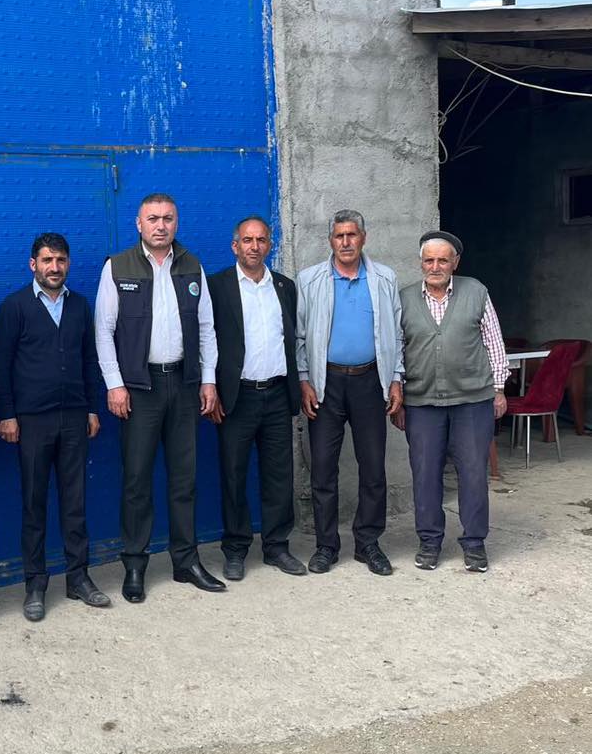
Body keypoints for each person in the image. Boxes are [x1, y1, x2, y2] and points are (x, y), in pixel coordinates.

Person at [94, 193, 223, 603]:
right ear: (139, 224)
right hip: (140, 390)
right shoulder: (118, 267)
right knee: (136, 481)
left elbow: (206, 328)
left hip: (183, 385)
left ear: (176, 223)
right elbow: (103, 330)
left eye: (168, 218)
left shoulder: (192, 266)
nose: (160, 225)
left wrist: (208, 380)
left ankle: (186, 561)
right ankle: (135, 564)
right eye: (153, 219)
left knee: (185, 479)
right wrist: (114, 384)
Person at [0, 232, 109, 621]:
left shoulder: (79, 306)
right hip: (32, 422)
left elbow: (89, 360)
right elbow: (1, 364)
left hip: (74, 417)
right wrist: (7, 414)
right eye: (47, 260)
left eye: (60, 260)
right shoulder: (15, 306)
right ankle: (35, 584)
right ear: (33, 265)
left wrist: (92, 408)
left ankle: (78, 578)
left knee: (75, 502)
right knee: (34, 504)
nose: (54, 267)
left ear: (68, 264)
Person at [391, 231, 509, 572]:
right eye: (429, 260)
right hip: (421, 402)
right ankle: (429, 542)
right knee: (425, 473)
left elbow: (494, 342)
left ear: (455, 263)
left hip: (472, 400)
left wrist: (498, 388)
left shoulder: (476, 292)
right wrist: (398, 395)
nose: (435, 266)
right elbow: (396, 350)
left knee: (473, 472)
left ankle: (474, 544)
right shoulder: (405, 299)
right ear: (421, 263)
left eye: (443, 260)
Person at [296, 210, 403, 576]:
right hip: (325, 385)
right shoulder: (310, 280)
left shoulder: (384, 278)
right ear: (331, 240)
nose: (345, 242)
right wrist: (305, 379)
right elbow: (299, 336)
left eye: (352, 235)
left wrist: (396, 378)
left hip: (369, 382)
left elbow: (397, 334)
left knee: (373, 466)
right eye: (339, 236)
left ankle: (368, 542)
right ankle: (326, 546)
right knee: (323, 469)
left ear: (363, 238)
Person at [207, 217, 305, 580]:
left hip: (277, 393)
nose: (254, 246)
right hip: (237, 398)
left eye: (261, 240)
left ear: (270, 245)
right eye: (247, 240)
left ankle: (277, 546)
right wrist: (211, 387)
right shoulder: (217, 286)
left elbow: (293, 339)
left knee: (279, 474)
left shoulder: (284, 287)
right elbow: (206, 339)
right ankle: (235, 549)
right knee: (233, 474)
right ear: (235, 246)